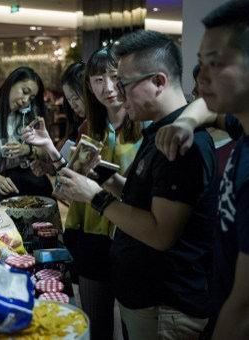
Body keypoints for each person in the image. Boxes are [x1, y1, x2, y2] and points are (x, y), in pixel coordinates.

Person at [54, 30, 218, 339]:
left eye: (124, 83)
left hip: (166, 305)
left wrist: (96, 197)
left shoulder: (181, 141)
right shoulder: (161, 131)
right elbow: (139, 194)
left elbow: (159, 233)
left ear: (158, 82)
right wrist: (103, 175)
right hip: (145, 298)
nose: (117, 92)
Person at [155, 1, 249, 338]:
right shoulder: (247, 124)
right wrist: (186, 122)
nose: (201, 76)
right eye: (202, 62)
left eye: (216, 64)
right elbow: (205, 106)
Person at [24, 50, 143, 340]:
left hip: (132, 237)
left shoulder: (145, 124)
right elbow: (73, 182)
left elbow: (142, 192)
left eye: (114, 77)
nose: (108, 87)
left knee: (135, 327)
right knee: (96, 325)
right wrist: (51, 151)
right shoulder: (91, 129)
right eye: (98, 80)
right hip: (90, 235)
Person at [0, 66, 51, 204]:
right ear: (11, 83)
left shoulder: (30, 115)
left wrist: (27, 150)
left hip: (36, 185)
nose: (26, 100)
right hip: (4, 186)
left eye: (31, 98)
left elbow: (48, 153)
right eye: (24, 91)